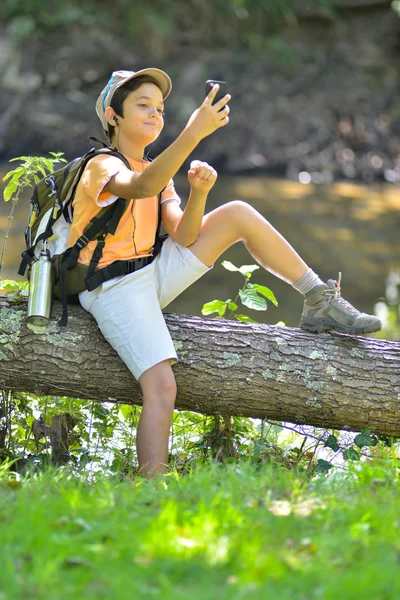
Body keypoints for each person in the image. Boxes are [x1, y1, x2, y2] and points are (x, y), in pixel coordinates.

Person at [68, 68, 381, 477]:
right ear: (113, 116)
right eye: (142, 106)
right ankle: (150, 489)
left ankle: (318, 298)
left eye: (159, 108)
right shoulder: (101, 165)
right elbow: (139, 186)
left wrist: (198, 193)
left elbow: (183, 232)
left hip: (149, 273)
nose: (154, 114)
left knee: (237, 213)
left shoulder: (156, 172)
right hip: (110, 287)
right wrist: (193, 134)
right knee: (162, 387)